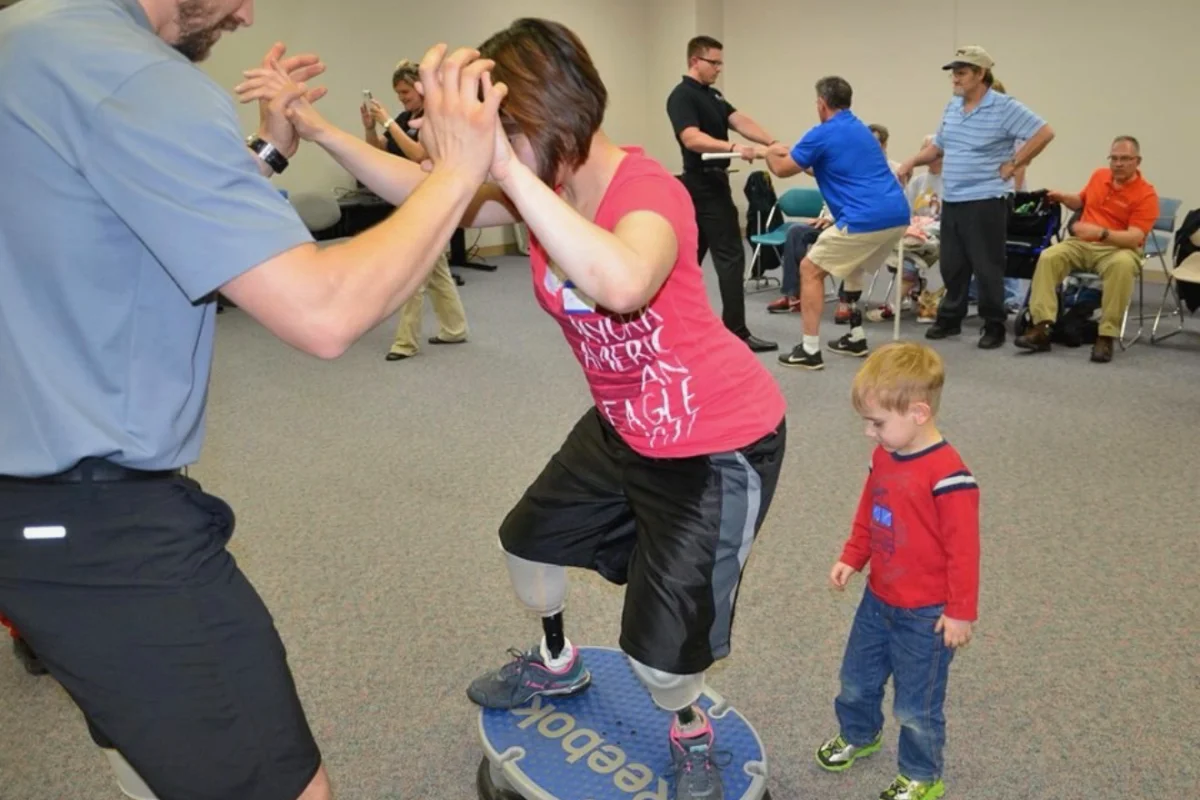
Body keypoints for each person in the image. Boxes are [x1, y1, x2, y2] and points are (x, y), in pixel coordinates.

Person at [244, 18, 787, 800]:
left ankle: (689, 726)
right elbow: (428, 194)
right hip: (624, 425)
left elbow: (625, 282)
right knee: (527, 544)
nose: (473, 164)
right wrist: (319, 128)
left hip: (717, 440)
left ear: (545, 119)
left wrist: (503, 165)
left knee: (662, 661)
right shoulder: (549, 185)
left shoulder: (647, 190)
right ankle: (558, 663)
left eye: (499, 139)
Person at [0, 0, 505, 796]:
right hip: (98, 520)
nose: (243, 12)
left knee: (149, 744)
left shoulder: (29, 38)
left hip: (33, 507)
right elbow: (324, 312)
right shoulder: (134, 70)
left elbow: (110, 217)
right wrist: (459, 169)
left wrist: (271, 148)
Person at [822, 342, 979, 800]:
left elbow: (964, 552)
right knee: (856, 680)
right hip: (879, 598)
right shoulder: (884, 457)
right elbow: (871, 510)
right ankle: (860, 734)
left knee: (916, 704)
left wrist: (960, 612)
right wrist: (853, 555)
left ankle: (922, 774)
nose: (870, 434)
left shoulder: (951, 477)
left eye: (877, 423)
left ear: (918, 412)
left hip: (926, 614)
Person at [897, 46, 1054, 349]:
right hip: (954, 197)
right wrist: (910, 162)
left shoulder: (1004, 106)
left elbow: (1044, 132)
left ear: (981, 74)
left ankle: (993, 325)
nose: (955, 79)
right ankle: (950, 318)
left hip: (987, 197)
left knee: (987, 265)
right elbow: (938, 147)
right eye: (953, 73)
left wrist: (1015, 163)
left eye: (962, 72)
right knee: (952, 264)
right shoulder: (952, 107)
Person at [765, 77, 910, 371]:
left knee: (810, 268)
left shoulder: (822, 133)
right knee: (852, 265)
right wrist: (796, 155)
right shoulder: (860, 130)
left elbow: (781, 170)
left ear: (821, 103)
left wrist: (768, 152)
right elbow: (822, 166)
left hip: (864, 218)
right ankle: (855, 337)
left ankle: (809, 350)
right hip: (896, 215)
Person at [667, 35, 779, 353]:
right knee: (731, 255)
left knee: (688, 261)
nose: (719, 68)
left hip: (715, 183)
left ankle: (674, 324)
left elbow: (739, 120)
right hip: (701, 184)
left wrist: (771, 143)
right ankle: (736, 332)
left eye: (720, 63)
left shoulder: (712, 95)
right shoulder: (681, 96)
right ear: (694, 61)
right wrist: (734, 148)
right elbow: (691, 138)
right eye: (713, 62)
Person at [1014, 136, 1159, 363]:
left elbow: (1134, 238)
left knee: (1122, 266)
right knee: (1049, 256)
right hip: (1082, 245)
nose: (1118, 163)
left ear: (1137, 161)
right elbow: (1081, 201)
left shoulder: (1146, 195)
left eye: (1125, 159)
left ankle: (1106, 335)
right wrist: (1062, 196)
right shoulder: (1099, 176)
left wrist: (1100, 233)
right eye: (1114, 158)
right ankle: (1042, 327)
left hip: (1118, 249)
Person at [363, 59, 470, 361]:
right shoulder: (404, 117)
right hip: (410, 201)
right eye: (398, 95)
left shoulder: (434, 119)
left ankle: (405, 343)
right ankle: (454, 328)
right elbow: (378, 150)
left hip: (430, 201)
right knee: (436, 271)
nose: (402, 99)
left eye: (406, 93)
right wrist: (372, 128)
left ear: (421, 89)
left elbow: (420, 154)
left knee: (413, 272)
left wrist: (389, 123)